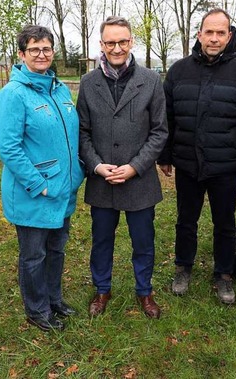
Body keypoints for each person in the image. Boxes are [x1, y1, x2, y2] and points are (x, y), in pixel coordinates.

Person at [157, 9, 236, 304]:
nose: (215, 38)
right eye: (209, 32)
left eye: (221, 33)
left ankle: (224, 274)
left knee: (225, 222)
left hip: (227, 165)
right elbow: (167, 116)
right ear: (199, 35)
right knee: (186, 220)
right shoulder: (179, 71)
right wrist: (165, 155)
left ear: (229, 36)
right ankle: (183, 267)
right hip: (188, 163)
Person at [76, 16, 168, 319]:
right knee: (102, 239)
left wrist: (135, 166)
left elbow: (159, 132)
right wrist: (97, 165)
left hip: (138, 180)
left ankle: (145, 291)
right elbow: (83, 131)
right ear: (101, 45)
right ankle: (102, 289)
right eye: (110, 42)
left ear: (131, 42)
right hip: (102, 181)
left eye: (123, 41)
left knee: (144, 240)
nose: (117, 48)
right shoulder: (89, 83)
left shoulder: (151, 81)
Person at [0, 25, 84, 332]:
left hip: (63, 188)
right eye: (34, 49)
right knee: (34, 255)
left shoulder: (59, 90)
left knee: (57, 249)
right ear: (21, 55)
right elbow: (9, 148)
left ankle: (54, 299)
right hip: (36, 192)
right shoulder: (13, 95)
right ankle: (37, 309)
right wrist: (38, 184)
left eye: (46, 49)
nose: (41, 54)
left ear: (53, 52)